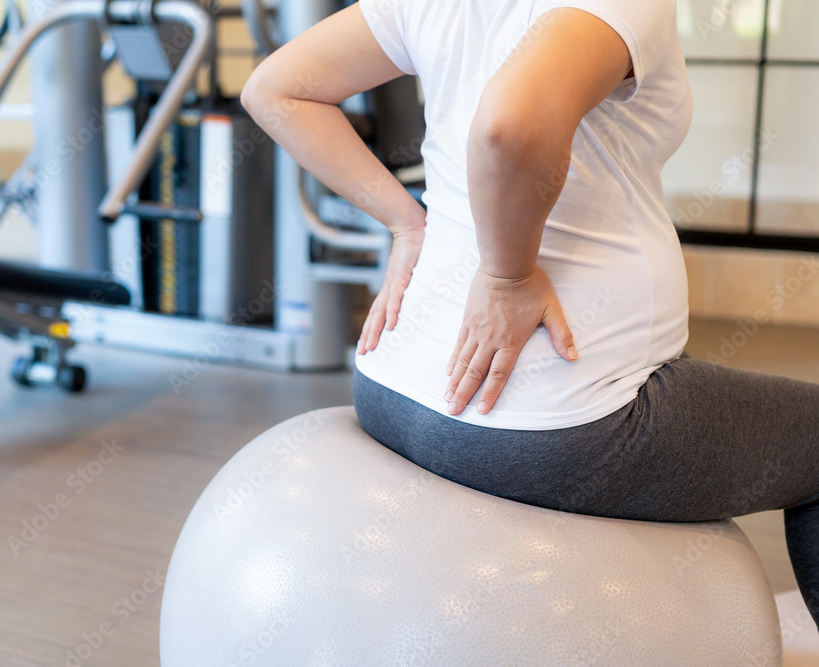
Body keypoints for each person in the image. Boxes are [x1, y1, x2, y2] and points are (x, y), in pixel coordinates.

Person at [241, 0, 819, 630]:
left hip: (394, 388)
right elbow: (511, 124)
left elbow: (275, 89)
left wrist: (406, 223)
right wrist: (507, 277)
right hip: (554, 422)